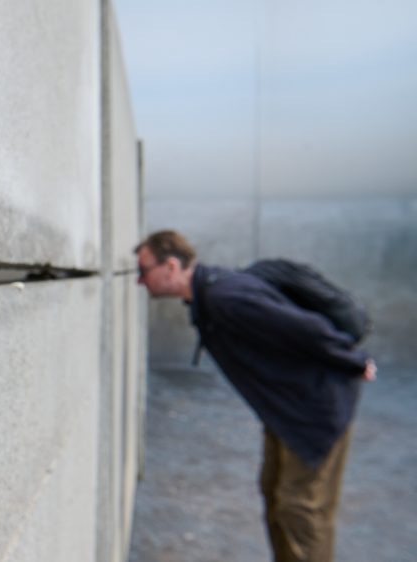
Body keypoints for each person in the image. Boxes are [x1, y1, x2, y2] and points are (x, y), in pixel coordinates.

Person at [134, 230, 376, 562]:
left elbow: (304, 328)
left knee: (299, 509)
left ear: (171, 266)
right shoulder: (209, 295)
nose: (139, 281)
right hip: (287, 411)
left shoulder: (225, 296)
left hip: (315, 411)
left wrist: (355, 362)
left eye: (144, 271)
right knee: (275, 496)